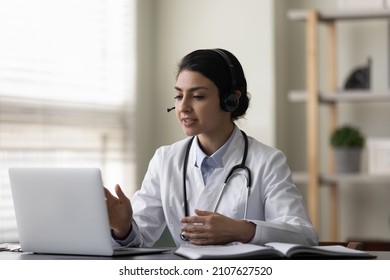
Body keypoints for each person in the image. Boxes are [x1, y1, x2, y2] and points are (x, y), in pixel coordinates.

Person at [104, 48, 318, 247]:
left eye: (197, 96)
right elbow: (140, 237)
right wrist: (123, 227)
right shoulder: (165, 160)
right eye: (179, 96)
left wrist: (242, 230)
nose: (184, 107)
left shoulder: (267, 161)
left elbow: (304, 234)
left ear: (230, 100)